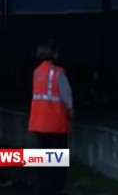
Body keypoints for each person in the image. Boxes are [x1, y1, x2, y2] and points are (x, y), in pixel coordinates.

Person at [28, 42, 73, 195]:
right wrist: (71, 112)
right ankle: (54, 188)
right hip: (55, 123)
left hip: (39, 122)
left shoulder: (37, 72)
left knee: (44, 158)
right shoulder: (58, 73)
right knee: (57, 159)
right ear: (54, 54)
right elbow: (66, 97)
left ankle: (42, 186)